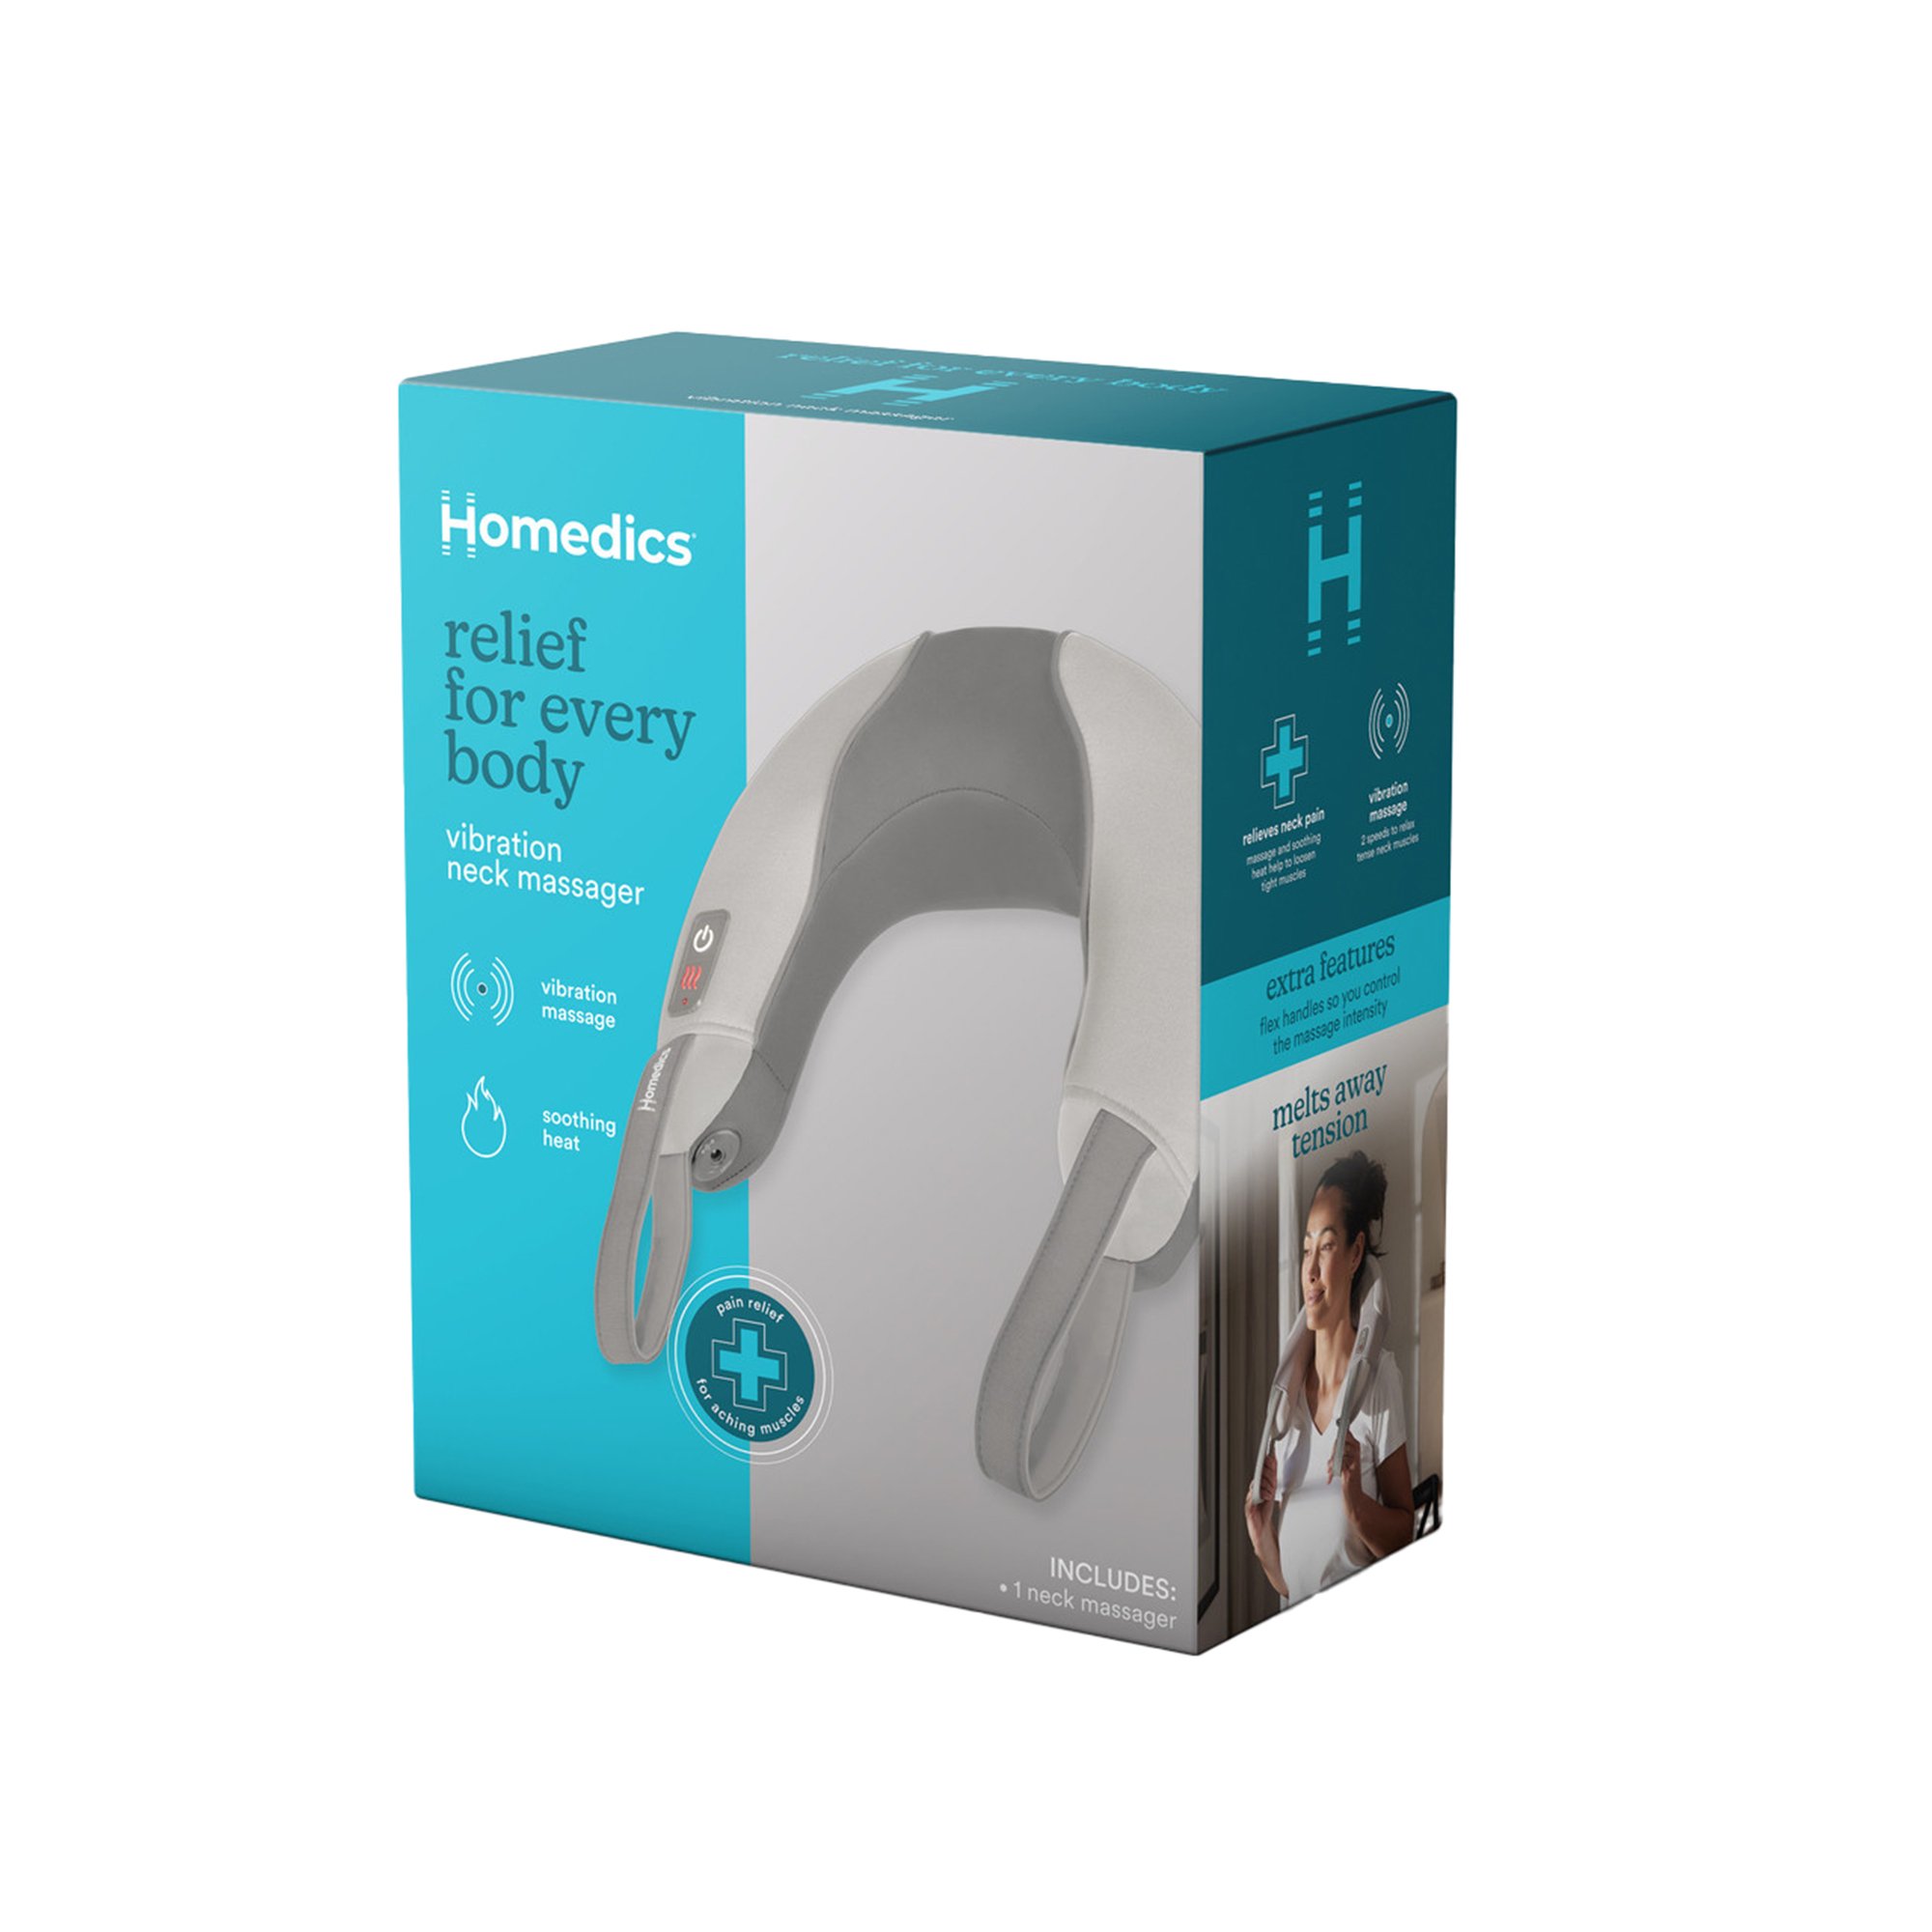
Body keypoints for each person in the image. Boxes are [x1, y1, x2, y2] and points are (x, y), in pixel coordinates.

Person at [1244, 1150, 1414, 1604]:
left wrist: (1357, 1507)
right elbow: (1290, 1585)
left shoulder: (1379, 1382)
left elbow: (1406, 1534)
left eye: (1326, 1246)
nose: (1311, 1271)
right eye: (1306, 1250)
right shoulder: (1285, 1409)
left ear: (1356, 1252)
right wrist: (1263, 1542)